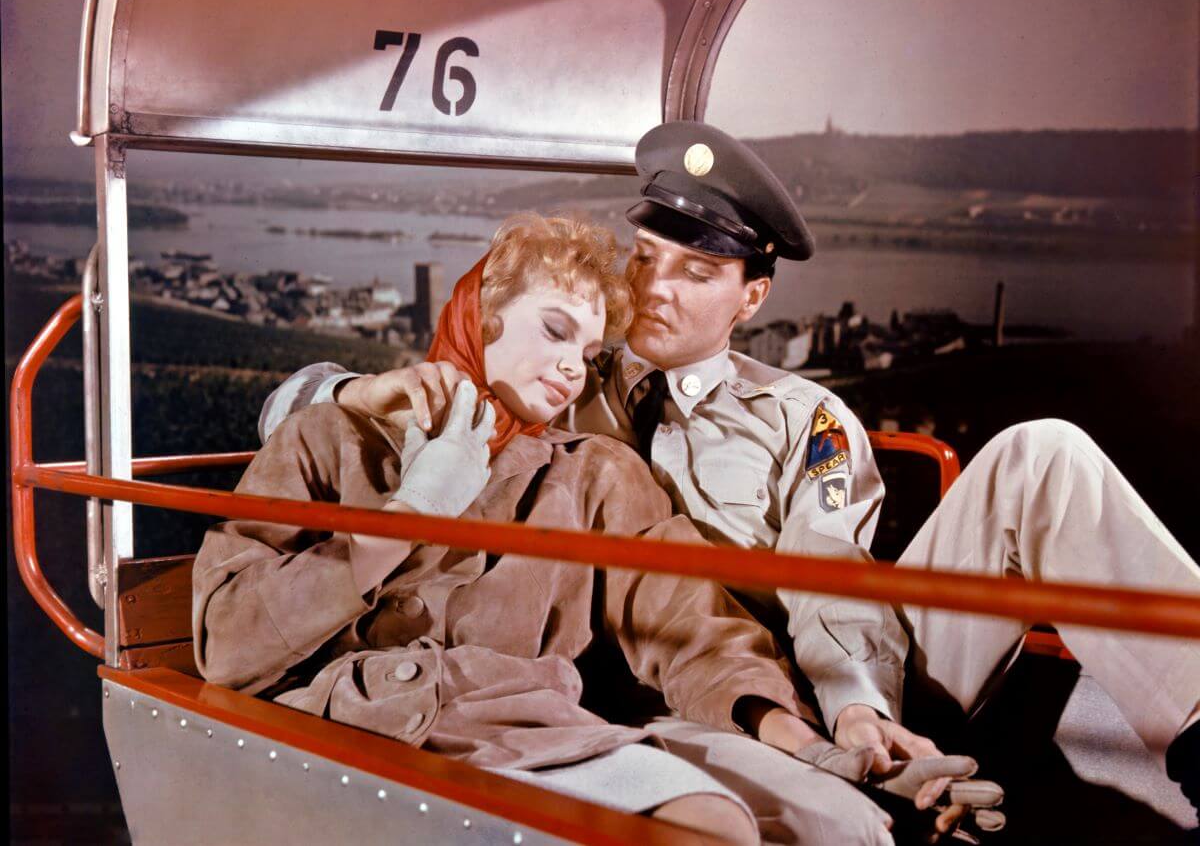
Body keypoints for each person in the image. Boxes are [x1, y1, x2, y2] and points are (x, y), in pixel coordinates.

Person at [257, 123, 1200, 832]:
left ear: (752, 294)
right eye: (645, 260)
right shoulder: (558, 377)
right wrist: (366, 389)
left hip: (830, 671)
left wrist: (857, 714)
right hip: (642, 682)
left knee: (1045, 453)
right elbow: (300, 409)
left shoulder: (806, 420)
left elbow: (834, 586)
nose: (654, 290)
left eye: (697, 270)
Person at [197, 214, 1000, 846]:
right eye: (553, 331)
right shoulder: (333, 436)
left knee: (750, 824)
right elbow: (229, 644)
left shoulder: (595, 472)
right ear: (482, 317)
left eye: (588, 348)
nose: (575, 367)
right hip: (350, 734)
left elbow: (692, 629)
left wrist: (814, 746)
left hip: (539, 729)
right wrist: (402, 517)